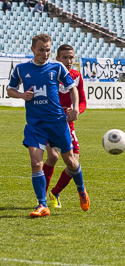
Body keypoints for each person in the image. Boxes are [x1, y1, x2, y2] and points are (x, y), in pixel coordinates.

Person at [7, 34, 90, 217]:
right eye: (41, 50)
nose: (45, 54)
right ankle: (42, 205)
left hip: (58, 123)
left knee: (70, 162)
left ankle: (81, 190)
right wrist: (21, 96)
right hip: (35, 124)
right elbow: (10, 89)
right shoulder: (21, 69)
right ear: (33, 50)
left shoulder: (57, 67)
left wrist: (75, 108)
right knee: (36, 162)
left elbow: (73, 88)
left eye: (47, 50)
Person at [44, 44, 87, 208]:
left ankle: (55, 193)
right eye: (65, 58)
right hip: (49, 122)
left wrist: (76, 111)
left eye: (71, 57)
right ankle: (42, 199)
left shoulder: (76, 76)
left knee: (74, 164)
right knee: (53, 156)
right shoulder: (49, 75)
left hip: (68, 125)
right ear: (57, 59)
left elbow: (83, 101)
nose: (69, 61)